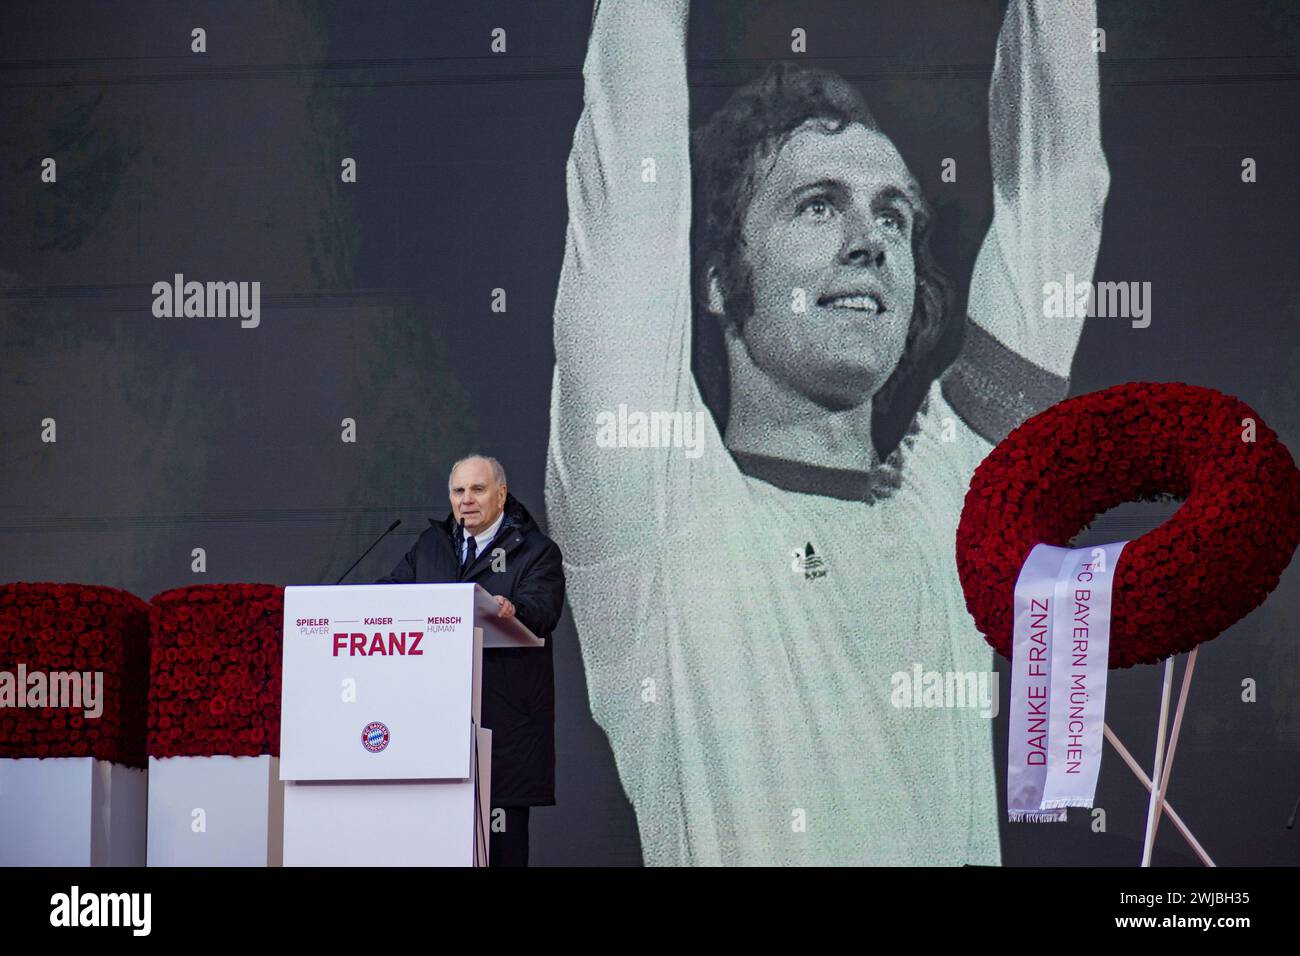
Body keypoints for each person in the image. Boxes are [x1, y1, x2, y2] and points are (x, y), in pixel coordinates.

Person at [545, 0, 1109, 864]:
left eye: (893, 215)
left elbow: (1062, 192)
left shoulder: (957, 519)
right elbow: (631, 158)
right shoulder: (657, 514)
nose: (871, 241)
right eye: (817, 207)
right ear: (717, 282)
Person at [378, 454, 566, 866]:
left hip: (503, 733)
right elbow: (389, 595)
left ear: (501, 494)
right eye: (458, 491)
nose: (466, 500)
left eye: (477, 489)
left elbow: (542, 610)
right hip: (433, 731)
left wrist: (513, 608)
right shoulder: (432, 545)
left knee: (500, 854)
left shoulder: (536, 552)